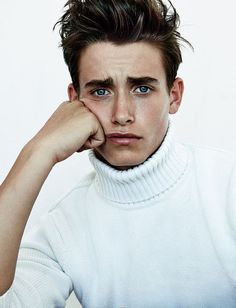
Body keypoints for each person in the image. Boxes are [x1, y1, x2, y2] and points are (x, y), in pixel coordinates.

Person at [0, 0, 235, 307]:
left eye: (142, 89)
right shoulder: (61, 226)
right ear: (74, 102)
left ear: (174, 96)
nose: (121, 114)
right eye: (101, 91)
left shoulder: (228, 186)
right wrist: (38, 151)